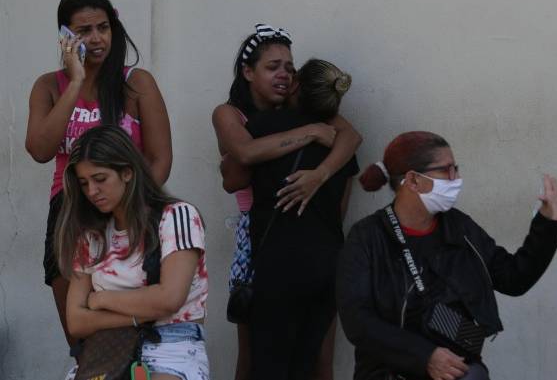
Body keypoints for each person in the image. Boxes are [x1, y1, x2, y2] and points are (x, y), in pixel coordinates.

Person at [337, 131, 557, 380]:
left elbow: (514, 278)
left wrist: (547, 225)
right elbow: (357, 321)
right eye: (447, 170)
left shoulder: (459, 227)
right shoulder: (367, 237)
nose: (456, 179)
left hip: (457, 369)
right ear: (414, 181)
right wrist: (425, 356)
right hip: (390, 371)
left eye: (456, 169)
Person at [212, 24, 361, 380]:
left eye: (289, 68)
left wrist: (319, 174)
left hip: (301, 245)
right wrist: (309, 132)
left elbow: (352, 136)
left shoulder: (312, 112)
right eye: (272, 66)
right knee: (253, 358)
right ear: (248, 72)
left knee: (314, 360)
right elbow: (243, 158)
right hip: (258, 238)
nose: (283, 74)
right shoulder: (232, 114)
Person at [25, 0, 172, 349]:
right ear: (65, 37)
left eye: (102, 28)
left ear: (113, 28)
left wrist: (127, 210)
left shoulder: (136, 83)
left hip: (130, 213)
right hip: (70, 214)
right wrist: (75, 81)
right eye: (83, 31)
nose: (95, 38)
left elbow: (160, 159)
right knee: (82, 338)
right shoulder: (49, 86)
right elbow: (40, 150)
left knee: (133, 336)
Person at [55, 125, 208, 380]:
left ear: (127, 172)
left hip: (172, 345)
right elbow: (77, 321)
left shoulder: (175, 216)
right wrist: (141, 314)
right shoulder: (91, 235)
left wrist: (101, 301)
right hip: (109, 349)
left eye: (100, 179)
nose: (92, 191)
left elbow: (170, 298)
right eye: (84, 183)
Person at [244, 57, 359, 380]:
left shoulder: (264, 127)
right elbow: (341, 208)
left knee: (268, 365)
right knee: (306, 363)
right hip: (327, 265)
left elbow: (234, 178)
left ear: (295, 86)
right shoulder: (341, 144)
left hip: (278, 265)